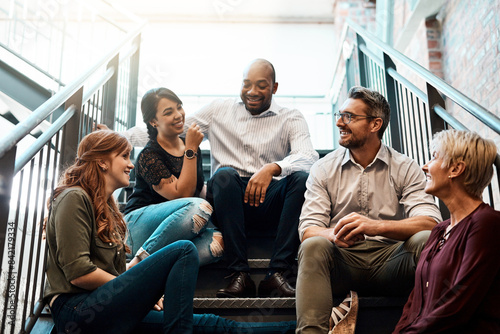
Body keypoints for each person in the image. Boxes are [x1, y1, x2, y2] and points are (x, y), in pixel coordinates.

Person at [100, 59, 318, 297]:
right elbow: (169, 129)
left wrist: (272, 169)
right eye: (246, 84)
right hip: (229, 197)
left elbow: (307, 155)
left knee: (300, 179)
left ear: (274, 88)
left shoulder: (291, 117)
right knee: (224, 175)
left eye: (261, 85)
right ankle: (239, 274)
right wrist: (117, 136)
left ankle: (278, 273)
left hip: (270, 196)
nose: (252, 91)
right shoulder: (219, 110)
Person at [44, 130, 296, 333]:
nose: (131, 165)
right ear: (101, 161)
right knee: (183, 250)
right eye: (124, 156)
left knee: (215, 325)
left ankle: (306, 329)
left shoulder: (109, 210)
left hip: (107, 307)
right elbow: (79, 273)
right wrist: (136, 287)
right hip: (78, 311)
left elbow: (113, 275)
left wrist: (141, 292)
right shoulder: (73, 197)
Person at [295, 86, 442, 333]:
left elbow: (430, 222)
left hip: (392, 262)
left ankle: (434, 327)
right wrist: (334, 234)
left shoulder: (405, 167)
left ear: (375, 124)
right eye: (339, 115)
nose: (340, 122)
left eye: (349, 117)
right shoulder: (323, 168)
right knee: (313, 245)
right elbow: (308, 230)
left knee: (426, 240)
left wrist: (376, 226)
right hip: (343, 261)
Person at [393, 129, 500, 333]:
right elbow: (414, 303)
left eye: (433, 158)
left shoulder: (487, 224)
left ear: (455, 169)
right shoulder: (439, 230)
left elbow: (459, 304)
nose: (425, 167)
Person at [123, 88, 223, 268]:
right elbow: (183, 195)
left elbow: (197, 189)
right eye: (169, 112)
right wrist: (190, 149)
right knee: (199, 208)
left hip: (175, 227)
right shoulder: (149, 155)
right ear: (153, 121)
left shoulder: (191, 147)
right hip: (138, 225)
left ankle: (151, 269)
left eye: (179, 107)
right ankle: (138, 261)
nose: (178, 115)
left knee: (217, 243)